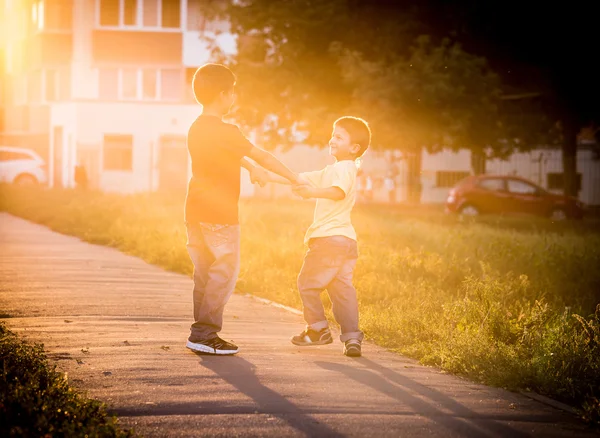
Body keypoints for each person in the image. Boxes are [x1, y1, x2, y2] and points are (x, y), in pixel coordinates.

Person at [185, 63, 301, 355]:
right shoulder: (228, 130)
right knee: (223, 273)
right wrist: (294, 178)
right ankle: (204, 334)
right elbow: (263, 156)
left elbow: (231, 155)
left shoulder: (197, 127)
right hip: (220, 213)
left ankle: (200, 332)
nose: (234, 96)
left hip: (194, 211)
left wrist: (250, 168)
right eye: (232, 92)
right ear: (224, 95)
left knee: (204, 273)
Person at [256, 116, 371, 357]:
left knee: (307, 284)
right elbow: (298, 178)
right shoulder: (332, 170)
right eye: (333, 134)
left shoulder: (346, 168)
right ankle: (351, 338)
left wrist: (311, 194)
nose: (332, 139)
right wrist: (269, 176)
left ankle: (318, 329)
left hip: (329, 240)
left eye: (339, 137)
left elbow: (337, 193)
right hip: (346, 242)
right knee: (342, 292)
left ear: (354, 148)